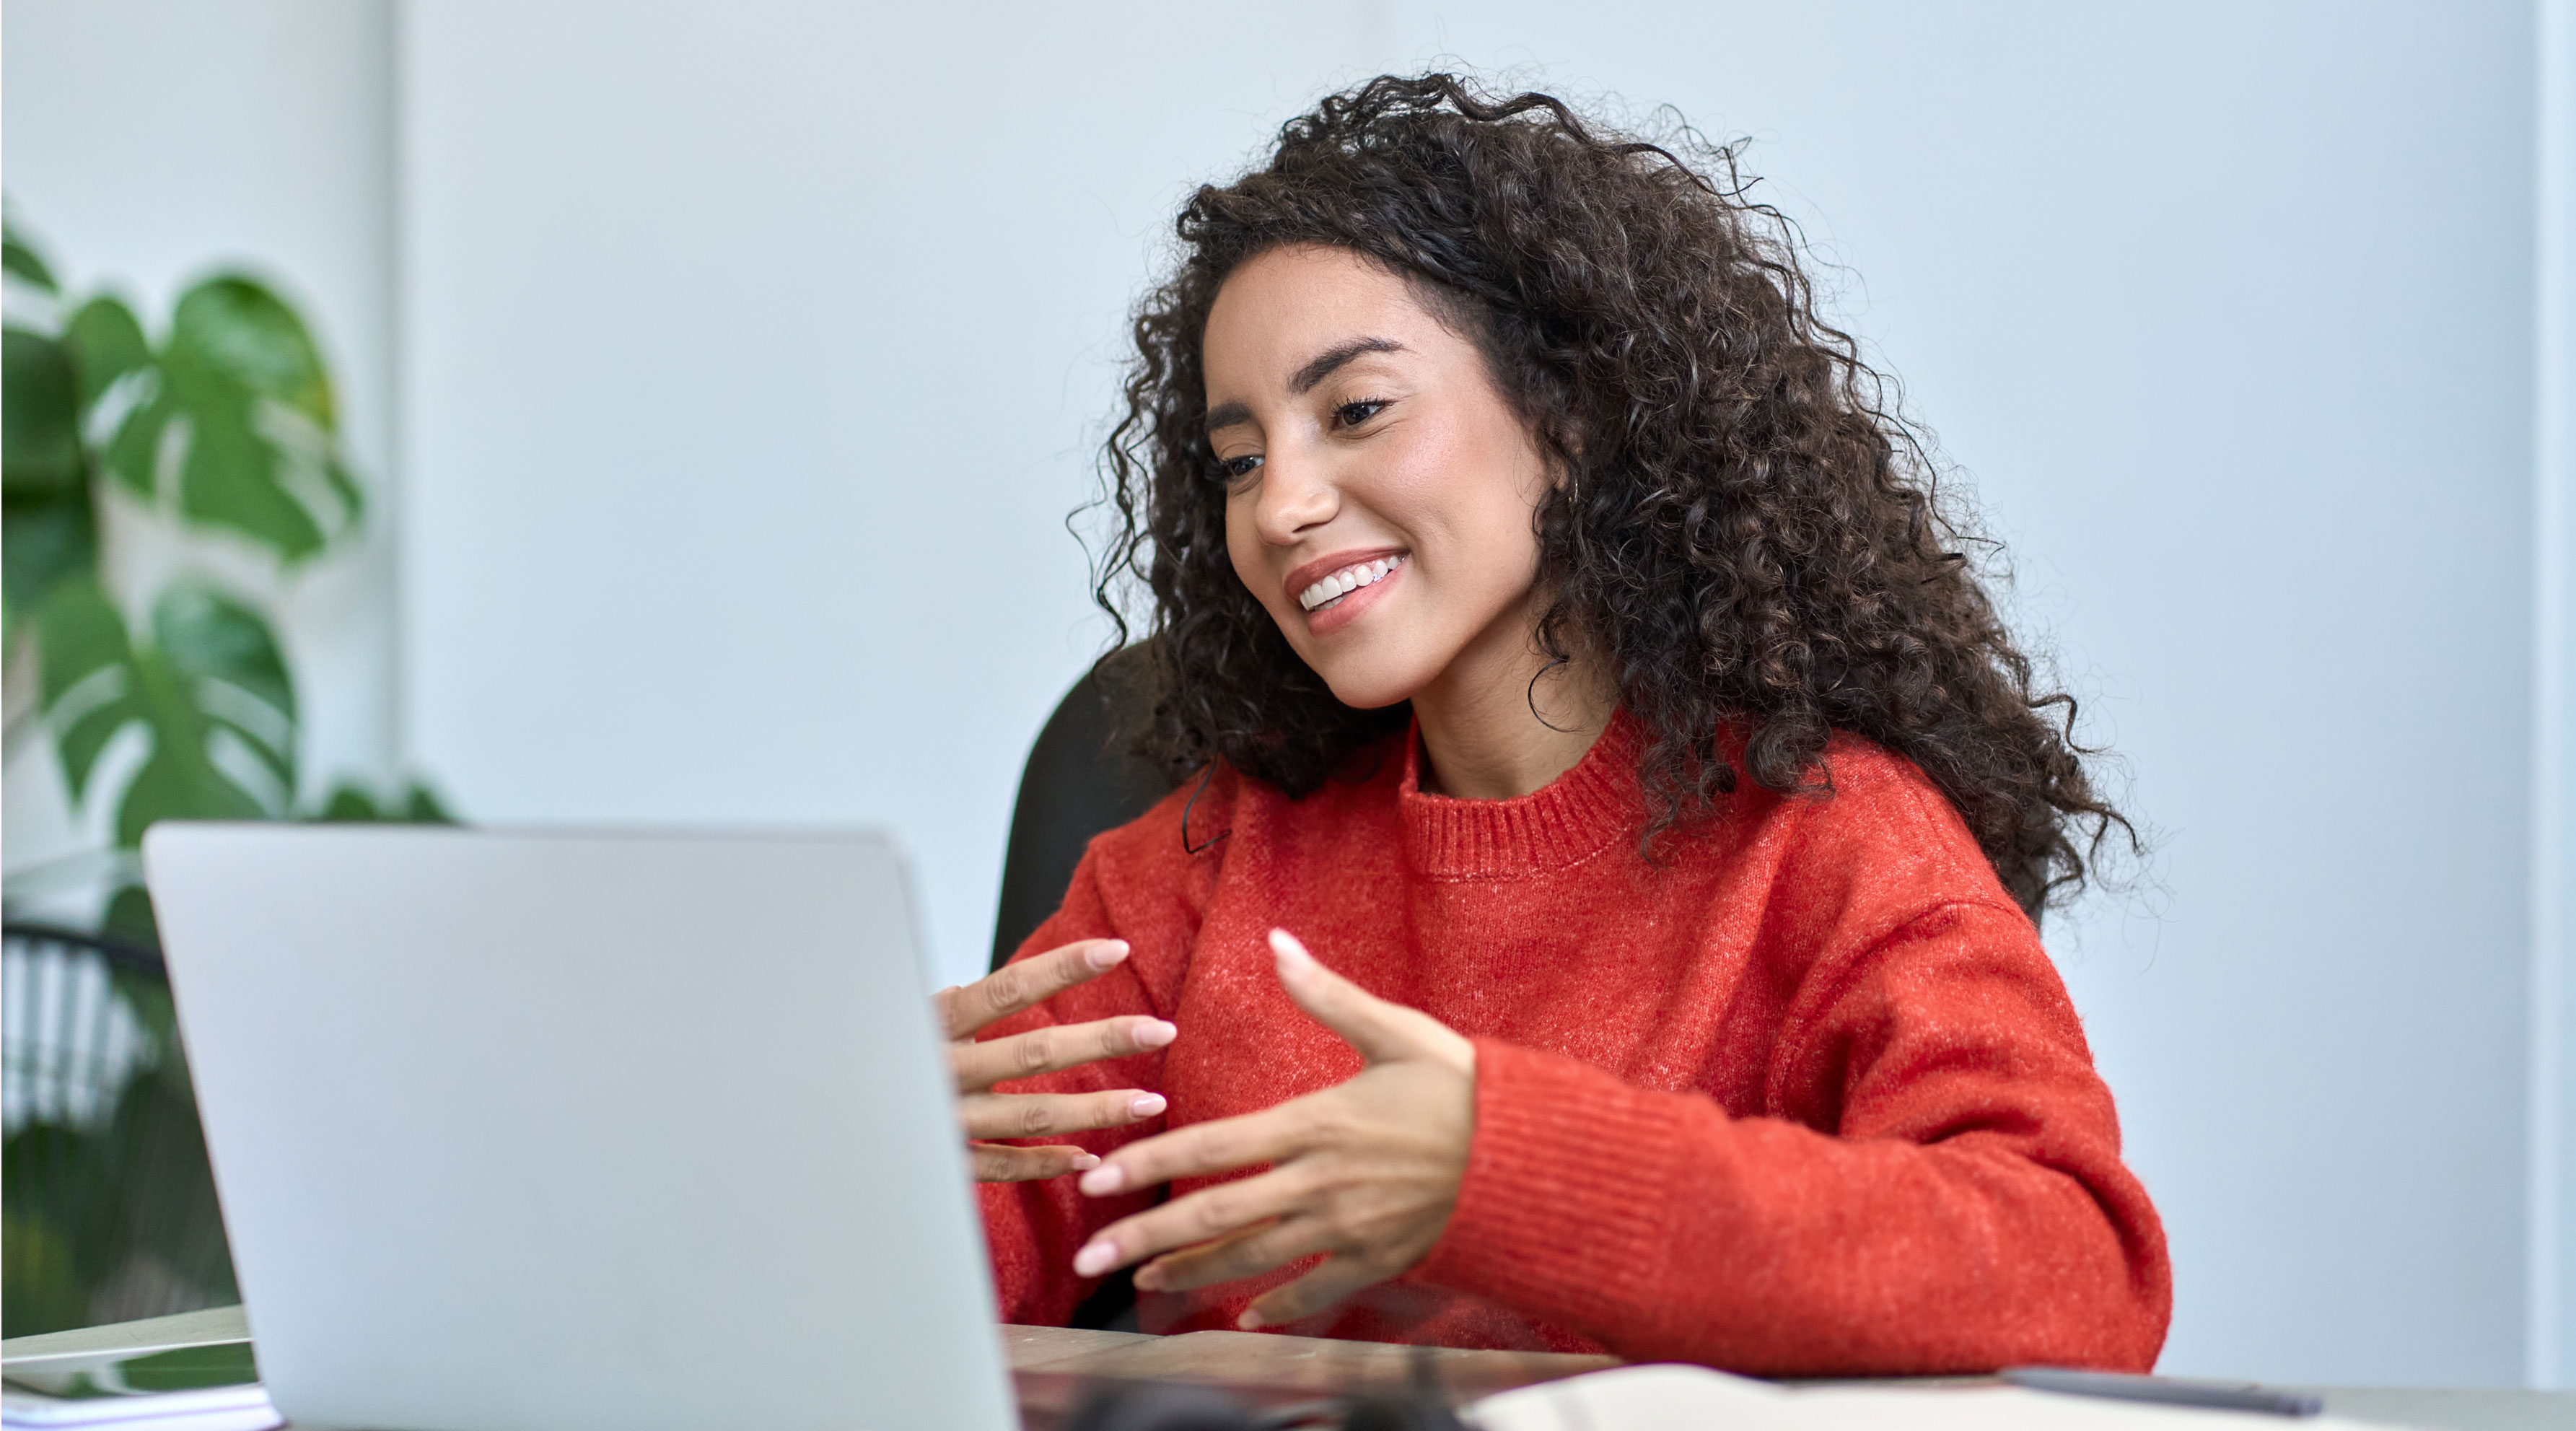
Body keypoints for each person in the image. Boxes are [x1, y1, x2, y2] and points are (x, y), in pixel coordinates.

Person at [940, 74, 2169, 1375]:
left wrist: (1514, 1172)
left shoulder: (1826, 839)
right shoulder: (1199, 864)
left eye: (1355, 411)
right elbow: (936, 1258)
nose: (1280, 506)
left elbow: (2073, 1273)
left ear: (1570, 420)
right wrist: (860, 1158)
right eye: (1238, 460)